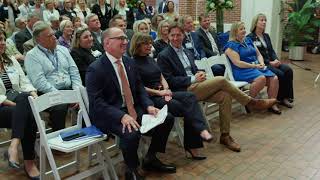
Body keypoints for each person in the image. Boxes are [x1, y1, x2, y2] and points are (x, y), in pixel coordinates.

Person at [157, 22, 278, 152]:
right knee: (221, 80)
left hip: (198, 86)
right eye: (172, 35)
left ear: (183, 36)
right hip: (183, 91)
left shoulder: (187, 51)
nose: (176, 38)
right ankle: (250, 102)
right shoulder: (164, 55)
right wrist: (192, 78)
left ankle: (225, 136)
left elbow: (194, 69)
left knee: (225, 96)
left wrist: (199, 73)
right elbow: (169, 81)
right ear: (168, 36)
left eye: (178, 35)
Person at [86, 27, 176, 180]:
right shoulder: (95, 69)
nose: (125, 41)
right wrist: (121, 116)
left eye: (125, 38)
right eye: (120, 38)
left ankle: (150, 158)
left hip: (132, 108)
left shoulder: (128, 62)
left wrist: (148, 105)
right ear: (107, 43)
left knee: (167, 119)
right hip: (110, 114)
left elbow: (139, 88)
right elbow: (97, 102)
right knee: (131, 133)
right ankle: (131, 170)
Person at [131, 32, 214, 160]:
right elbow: (139, 88)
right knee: (184, 107)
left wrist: (166, 88)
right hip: (152, 98)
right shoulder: (133, 63)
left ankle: (200, 131)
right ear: (137, 45)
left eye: (149, 43)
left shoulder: (150, 58)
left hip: (164, 94)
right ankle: (193, 144)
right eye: (145, 44)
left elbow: (161, 76)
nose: (149, 46)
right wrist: (160, 92)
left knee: (189, 97)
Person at [24, 21, 82, 131]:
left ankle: (85, 132)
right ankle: (59, 140)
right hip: (48, 92)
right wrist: (64, 97)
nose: (54, 37)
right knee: (60, 107)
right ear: (39, 40)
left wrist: (76, 92)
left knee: (88, 97)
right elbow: (39, 82)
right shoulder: (32, 56)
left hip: (69, 88)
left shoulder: (63, 50)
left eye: (53, 34)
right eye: (49, 36)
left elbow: (74, 72)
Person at [0, 29, 40, 179]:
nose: (3, 43)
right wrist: (6, 101)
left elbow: (24, 82)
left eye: (3, 39)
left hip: (18, 102)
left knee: (25, 100)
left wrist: (33, 92)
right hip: (2, 106)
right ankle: (29, 163)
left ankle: (13, 146)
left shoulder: (10, 59)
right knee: (28, 114)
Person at [224, 22, 281, 114]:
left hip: (255, 67)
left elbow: (258, 54)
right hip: (242, 70)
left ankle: (272, 104)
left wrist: (262, 63)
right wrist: (254, 66)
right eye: (241, 29)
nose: (244, 31)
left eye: (244, 28)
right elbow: (238, 63)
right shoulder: (231, 45)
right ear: (235, 32)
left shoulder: (248, 40)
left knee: (274, 78)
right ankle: (249, 102)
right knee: (261, 78)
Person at [247, 13, 294, 108]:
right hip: (263, 64)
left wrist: (276, 59)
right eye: (262, 20)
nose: (264, 22)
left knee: (288, 70)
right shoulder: (250, 37)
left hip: (272, 62)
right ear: (255, 23)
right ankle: (275, 100)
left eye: (265, 20)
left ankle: (285, 97)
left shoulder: (266, 36)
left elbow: (271, 50)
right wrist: (270, 63)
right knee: (280, 74)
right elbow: (255, 56)